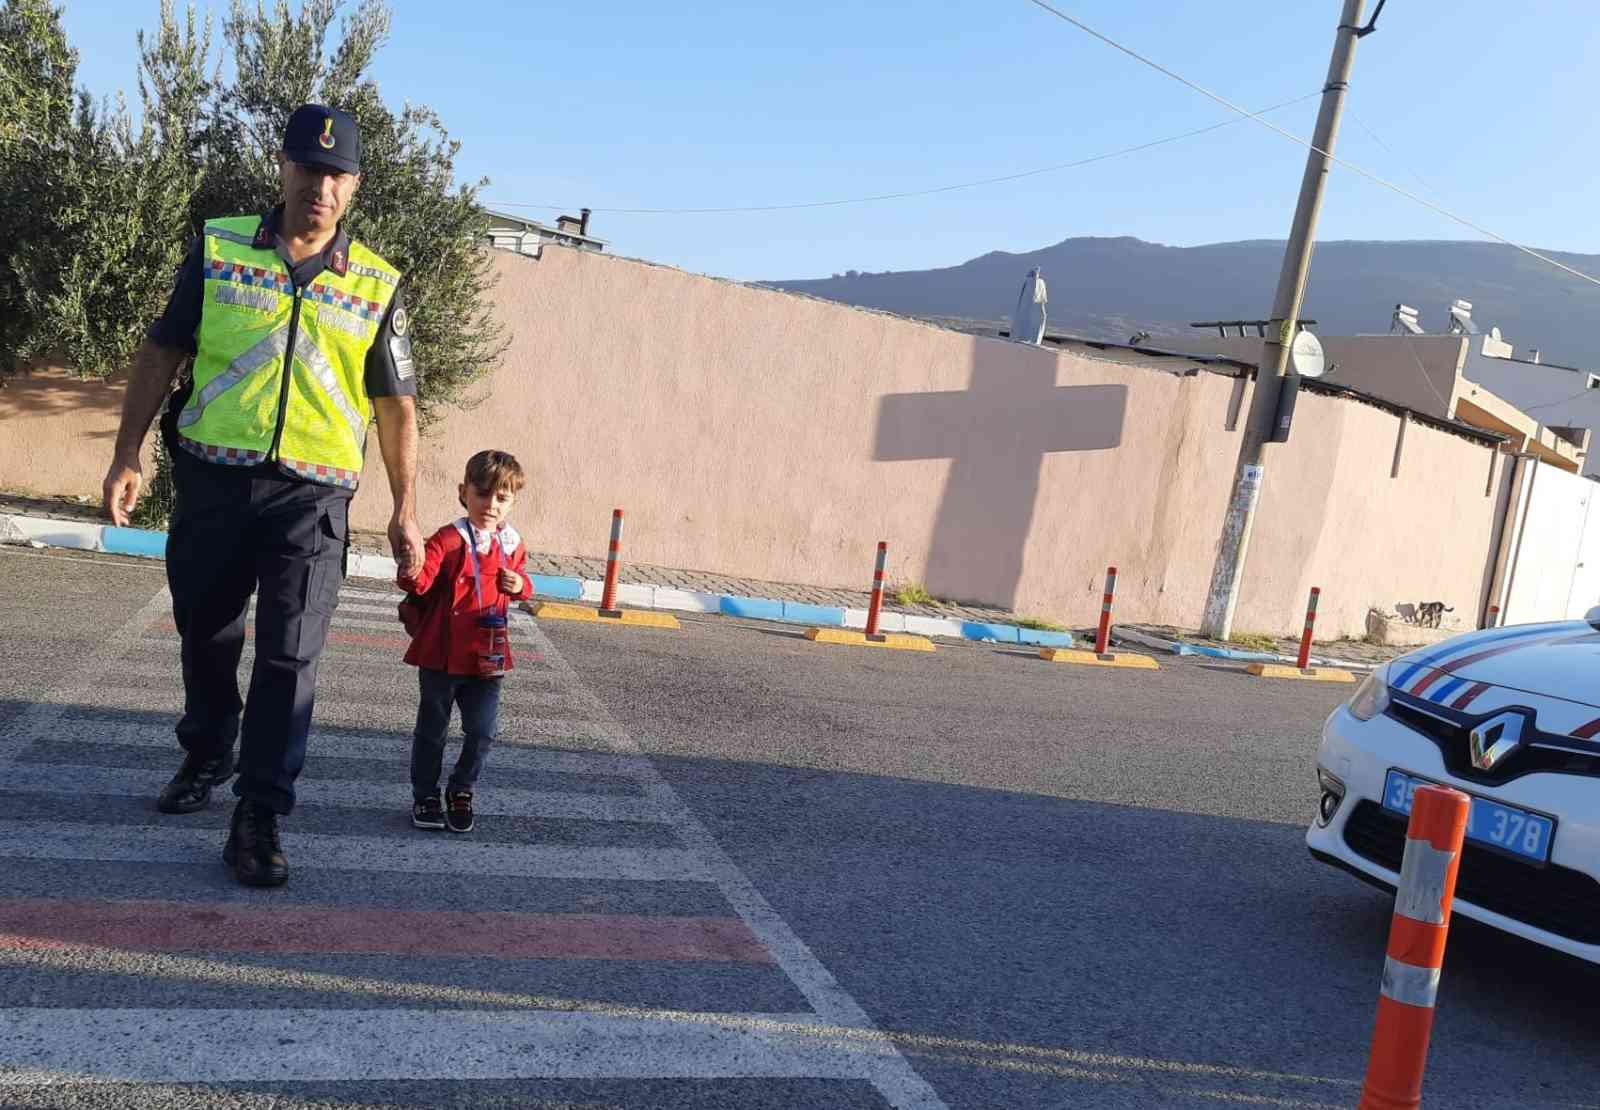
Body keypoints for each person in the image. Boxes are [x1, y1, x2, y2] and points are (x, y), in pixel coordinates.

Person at [101, 104, 423, 887]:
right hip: (214, 479)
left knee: (290, 656)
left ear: (355, 187)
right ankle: (210, 746)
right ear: (283, 167)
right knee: (206, 634)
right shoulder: (218, 248)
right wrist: (127, 450)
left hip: (313, 500)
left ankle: (260, 812)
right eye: (309, 169)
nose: (322, 185)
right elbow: (163, 350)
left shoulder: (376, 283)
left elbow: (396, 404)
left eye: (337, 174)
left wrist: (405, 505)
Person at [398, 450, 530, 834]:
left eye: (502, 498)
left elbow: (523, 577)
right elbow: (422, 579)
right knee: (432, 731)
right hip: (441, 655)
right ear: (464, 492)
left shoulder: (512, 543)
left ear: (512, 502)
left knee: (483, 730)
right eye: (483, 493)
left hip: (487, 657)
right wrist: (411, 566)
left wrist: (521, 585)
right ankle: (425, 794)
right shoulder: (450, 538)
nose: (491, 504)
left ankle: (462, 788)